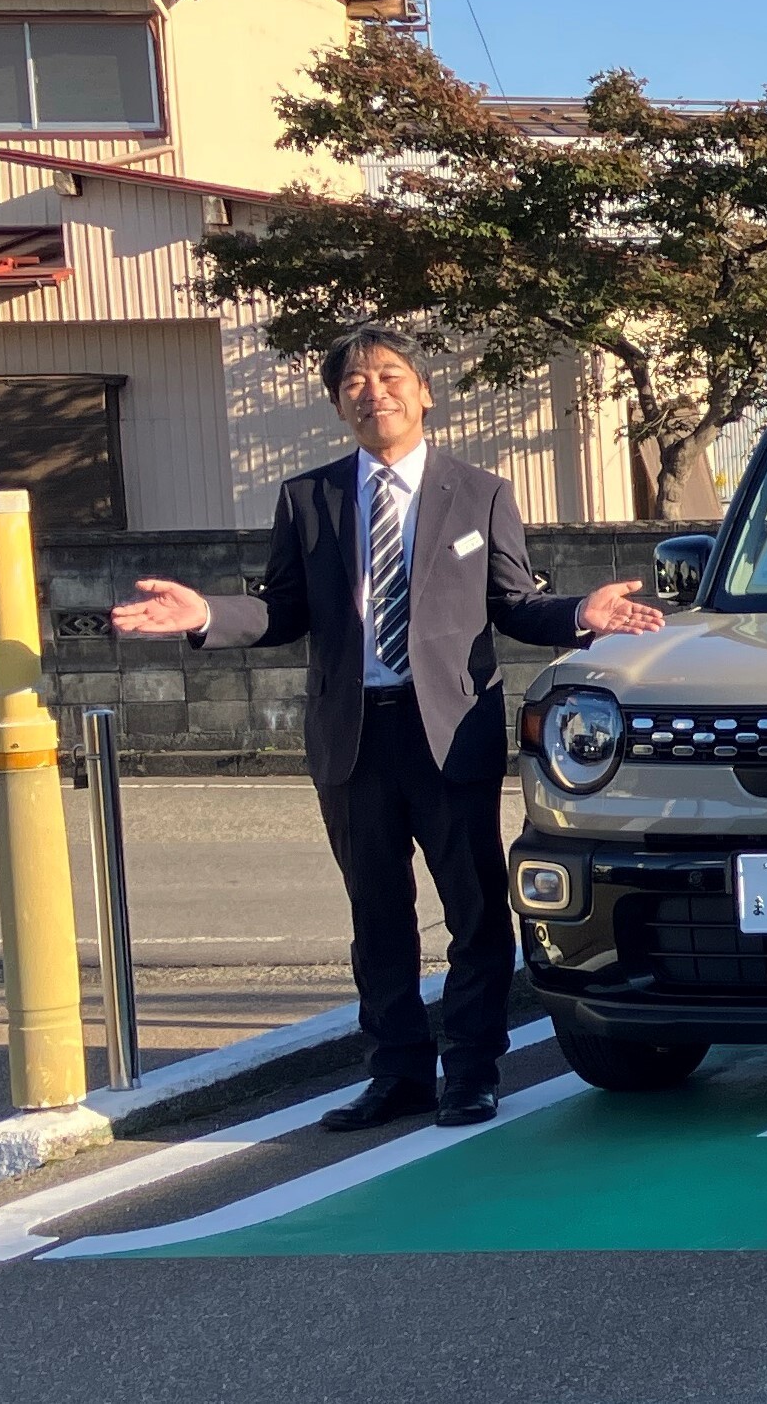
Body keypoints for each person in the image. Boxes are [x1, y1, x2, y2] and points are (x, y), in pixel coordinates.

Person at [109, 327, 664, 1129]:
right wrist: (206, 615)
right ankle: (397, 1072)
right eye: (355, 383)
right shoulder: (310, 497)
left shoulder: (479, 492)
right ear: (339, 404)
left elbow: (513, 604)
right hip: (352, 734)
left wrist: (582, 614)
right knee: (377, 917)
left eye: (391, 376)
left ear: (424, 391)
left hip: (449, 731)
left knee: (474, 913)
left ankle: (471, 1070)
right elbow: (282, 609)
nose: (374, 392)